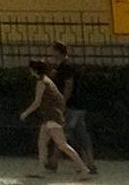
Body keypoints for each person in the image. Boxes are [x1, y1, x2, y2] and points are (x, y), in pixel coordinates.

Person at [22, 58, 94, 177]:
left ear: (34, 70)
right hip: (51, 117)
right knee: (42, 143)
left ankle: (83, 169)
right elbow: (60, 98)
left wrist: (25, 113)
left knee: (62, 145)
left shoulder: (41, 82)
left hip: (51, 117)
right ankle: (41, 170)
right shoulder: (48, 81)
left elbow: (37, 102)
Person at [49, 42, 94, 170]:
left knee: (62, 133)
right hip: (79, 105)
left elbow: (69, 85)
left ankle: (54, 161)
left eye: (53, 51)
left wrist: (62, 102)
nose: (51, 54)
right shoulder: (63, 67)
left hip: (71, 105)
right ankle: (90, 162)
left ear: (58, 52)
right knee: (81, 134)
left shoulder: (66, 68)